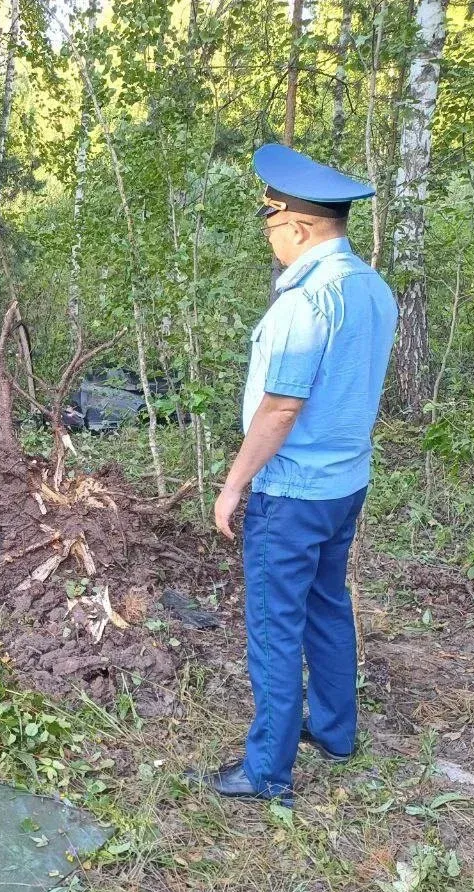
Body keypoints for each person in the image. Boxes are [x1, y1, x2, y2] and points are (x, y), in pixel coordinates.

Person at [188, 144, 398, 805]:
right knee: (327, 604)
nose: (269, 237)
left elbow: (280, 408)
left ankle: (266, 771)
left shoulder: (305, 303)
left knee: (276, 625)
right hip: (346, 485)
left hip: (293, 492)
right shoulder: (373, 288)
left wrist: (233, 485)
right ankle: (335, 732)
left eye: (272, 224)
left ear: (301, 227)